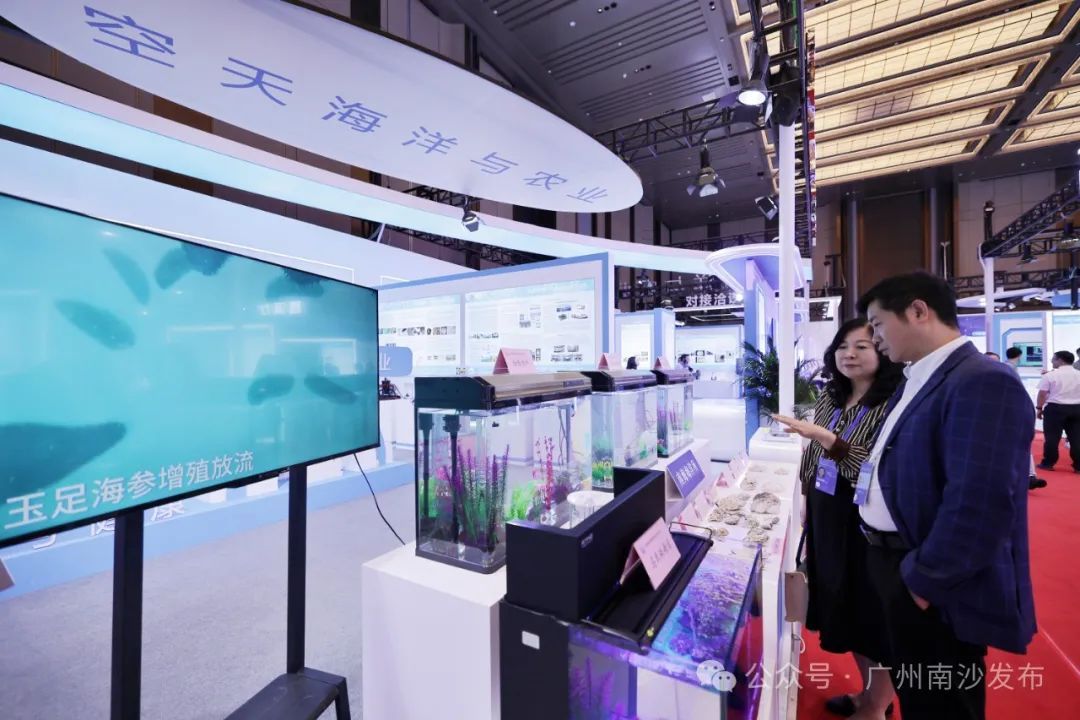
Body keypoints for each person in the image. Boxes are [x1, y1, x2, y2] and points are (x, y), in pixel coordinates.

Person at [856, 272, 1035, 720]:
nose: (874, 338)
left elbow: (981, 502)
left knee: (942, 702)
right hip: (894, 561)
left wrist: (923, 581)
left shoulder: (982, 380)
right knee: (917, 691)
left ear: (918, 311)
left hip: (929, 578)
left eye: (877, 325)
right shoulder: (917, 376)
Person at [773, 318, 904, 719]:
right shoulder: (832, 396)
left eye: (862, 346)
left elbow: (874, 470)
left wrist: (826, 439)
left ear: (883, 351)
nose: (849, 354)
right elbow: (814, 457)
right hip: (827, 515)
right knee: (845, 611)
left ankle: (877, 706)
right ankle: (868, 696)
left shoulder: (893, 403)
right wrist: (806, 496)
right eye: (843, 346)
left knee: (872, 617)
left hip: (865, 520)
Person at [1004, 347, 1047, 489]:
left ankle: (1030, 477)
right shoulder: (1008, 369)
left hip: (1011, 413)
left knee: (1023, 444)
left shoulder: (1008, 369)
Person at [1036, 350, 1080, 472]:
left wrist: (1039, 408)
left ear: (1060, 360)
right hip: (1077, 409)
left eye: (1053, 358)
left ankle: (1048, 463)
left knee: (1052, 437)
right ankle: (1079, 465)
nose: (1051, 361)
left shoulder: (1050, 375)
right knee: (1077, 438)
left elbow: (1042, 393)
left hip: (1055, 409)